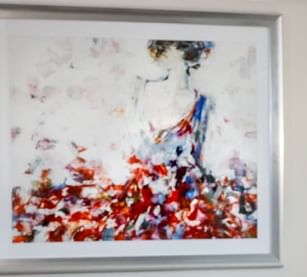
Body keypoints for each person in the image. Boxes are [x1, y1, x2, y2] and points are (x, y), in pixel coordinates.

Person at [12, 39, 257, 243]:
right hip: (137, 193)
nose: (164, 53)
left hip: (183, 198)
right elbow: (122, 146)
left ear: (186, 53)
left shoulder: (202, 103)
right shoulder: (139, 90)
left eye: (173, 47)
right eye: (164, 47)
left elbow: (200, 157)